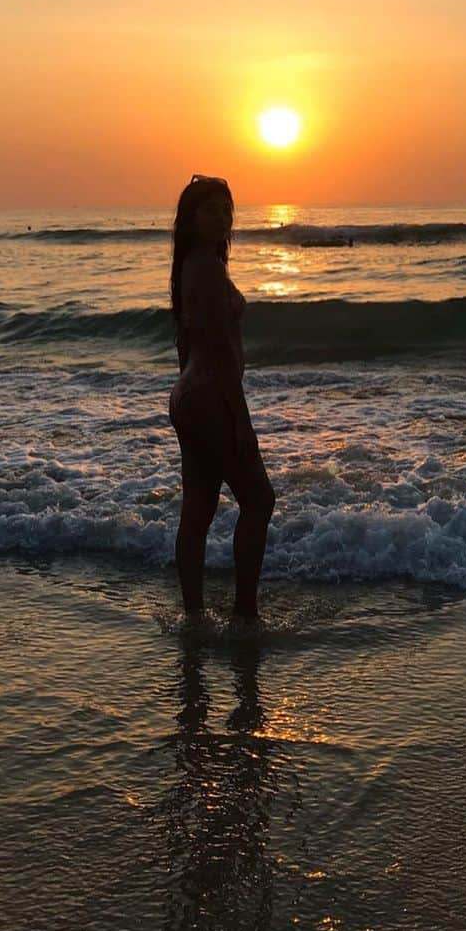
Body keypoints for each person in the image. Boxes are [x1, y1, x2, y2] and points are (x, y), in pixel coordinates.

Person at [168, 174, 275, 622]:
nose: (223, 217)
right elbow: (219, 352)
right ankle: (244, 616)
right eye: (212, 209)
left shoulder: (192, 265)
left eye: (228, 209)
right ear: (192, 218)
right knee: (259, 499)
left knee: (199, 508)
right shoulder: (207, 269)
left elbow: (184, 343)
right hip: (210, 398)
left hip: (189, 399)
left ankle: (194, 616)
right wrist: (242, 422)